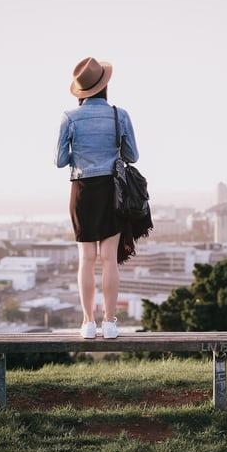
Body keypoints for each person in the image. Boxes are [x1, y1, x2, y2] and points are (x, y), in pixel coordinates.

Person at [55, 57, 140, 339]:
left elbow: (60, 160)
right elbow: (132, 155)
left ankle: (88, 323)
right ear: (104, 86)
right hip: (110, 190)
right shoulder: (119, 115)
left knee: (86, 258)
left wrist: (80, 154)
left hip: (81, 190)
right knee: (108, 259)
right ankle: (110, 323)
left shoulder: (69, 118)